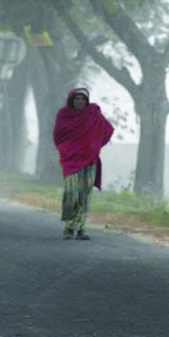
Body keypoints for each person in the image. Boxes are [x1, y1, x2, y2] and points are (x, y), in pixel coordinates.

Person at [53, 87, 114, 240]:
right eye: (76, 98)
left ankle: (79, 228)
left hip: (89, 160)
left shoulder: (93, 114)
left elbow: (107, 130)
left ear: (86, 101)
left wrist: (94, 146)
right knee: (72, 192)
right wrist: (66, 150)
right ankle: (69, 225)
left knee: (84, 194)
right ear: (71, 100)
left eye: (82, 99)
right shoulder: (64, 115)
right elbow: (58, 137)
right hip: (71, 160)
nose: (79, 101)